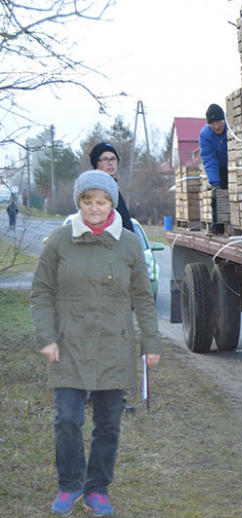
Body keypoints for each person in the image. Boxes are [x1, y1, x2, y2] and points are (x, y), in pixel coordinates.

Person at [30, 170, 162, 516]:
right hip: (68, 343)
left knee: (108, 422)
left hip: (113, 345)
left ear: (111, 203)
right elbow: (41, 291)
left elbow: (143, 299)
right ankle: (70, 483)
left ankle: (97, 488)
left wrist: (151, 343)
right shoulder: (60, 241)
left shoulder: (130, 244)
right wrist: (46, 337)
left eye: (100, 201)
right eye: (87, 201)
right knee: (67, 419)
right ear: (79, 203)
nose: (94, 208)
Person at [88, 142, 134, 233]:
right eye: (105, 159)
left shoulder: (114, 190)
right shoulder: (95, 191)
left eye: (113, 159)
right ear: (96, 163)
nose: (111, 163)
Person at [199, 103, 228, 235]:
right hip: (219, 168)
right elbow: (209, 159)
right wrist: (215, 183)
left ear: (223, 120)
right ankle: (217, 226)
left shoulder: (231, 129)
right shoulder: (205, 135)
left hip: (234, 166)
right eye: (213, 123)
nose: (216, 126)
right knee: (217, 195)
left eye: (218, 122)